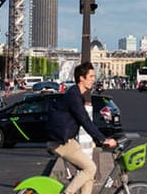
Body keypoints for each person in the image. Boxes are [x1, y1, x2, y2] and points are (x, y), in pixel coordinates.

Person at [47, 63, 116, 194]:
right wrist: (103, 139)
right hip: (61, 142)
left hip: (66, 140)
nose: (93, 79)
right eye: (91, 76)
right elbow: (85, 121)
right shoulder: (74, 96)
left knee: (88, 174)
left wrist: (97, 140)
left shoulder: (76, 93)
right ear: (81, 78)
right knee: (90, 168)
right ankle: (68, 193)